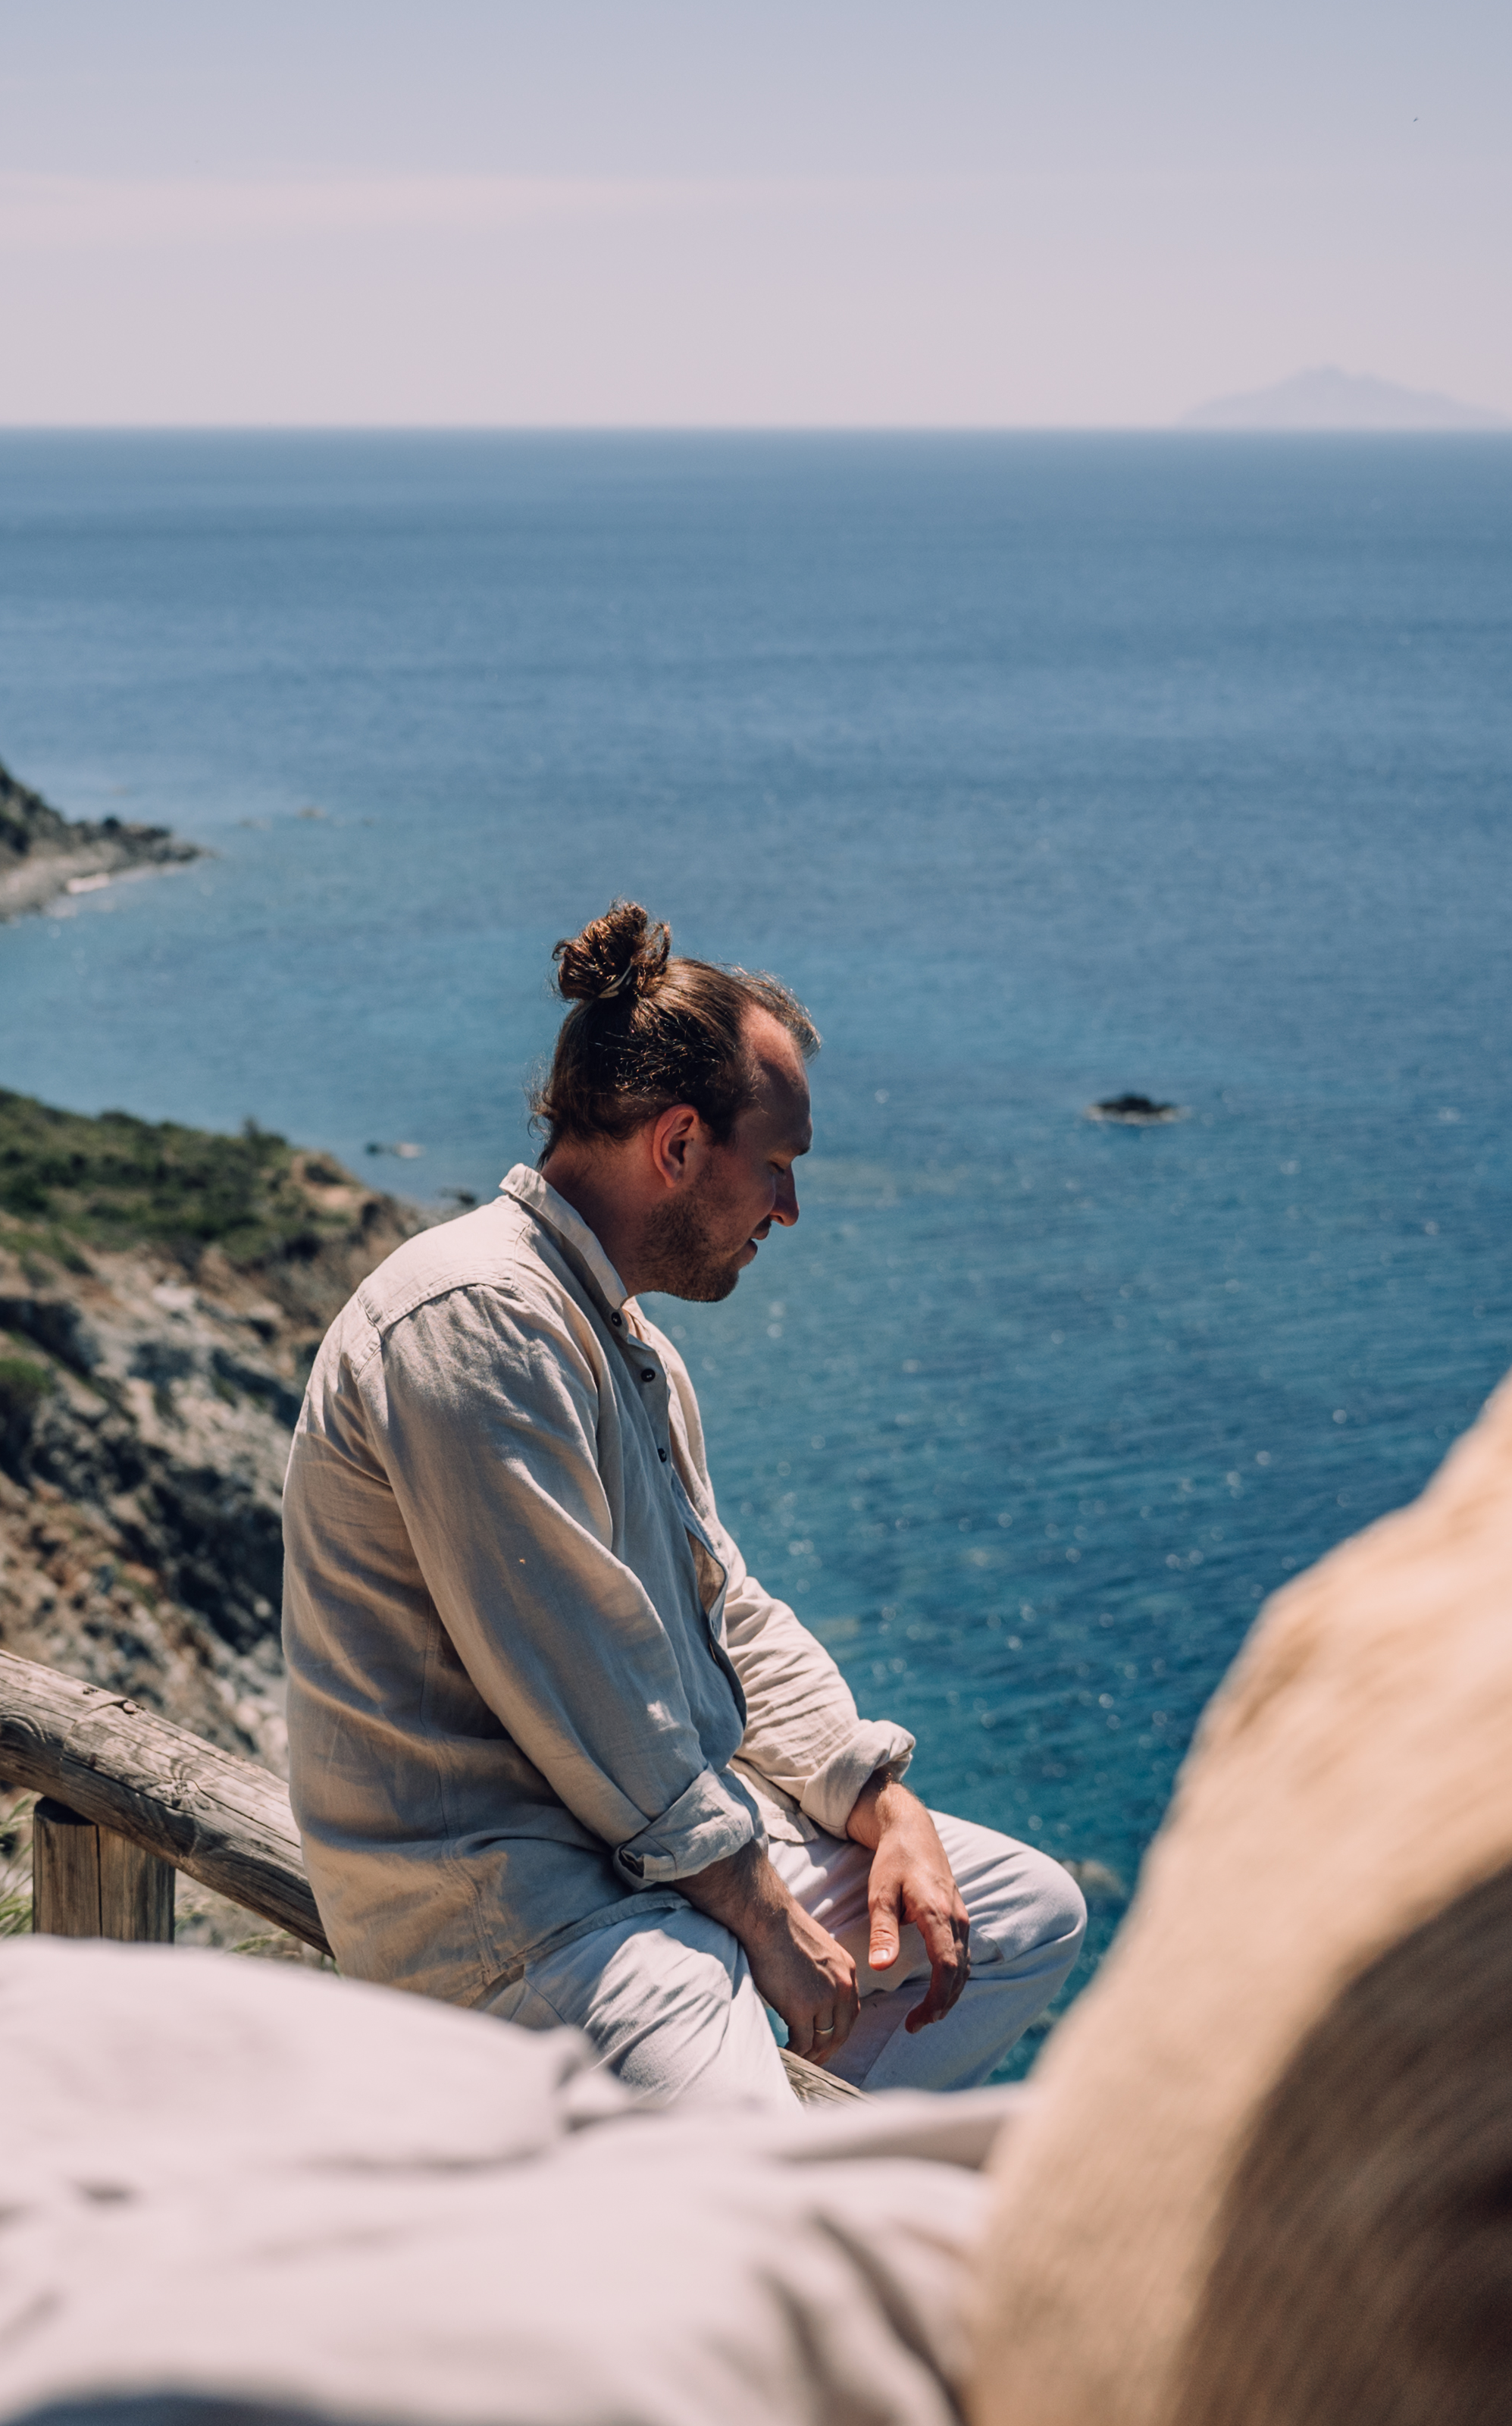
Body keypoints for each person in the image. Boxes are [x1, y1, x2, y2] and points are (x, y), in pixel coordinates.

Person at [281, 901, 1087, 2108]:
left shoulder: (612, 1333)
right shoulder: (479, 1320)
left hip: (645, 1861)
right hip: (516, 1911)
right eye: (778, 1166)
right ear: (675, 1145)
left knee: (1021, 1918)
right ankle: (753, 2200)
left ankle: (767, 2173)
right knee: (747, 2173)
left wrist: (878, 1800)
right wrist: (760, 1911)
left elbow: (728, 1611)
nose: (789, 1210)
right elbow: (588, 1678)